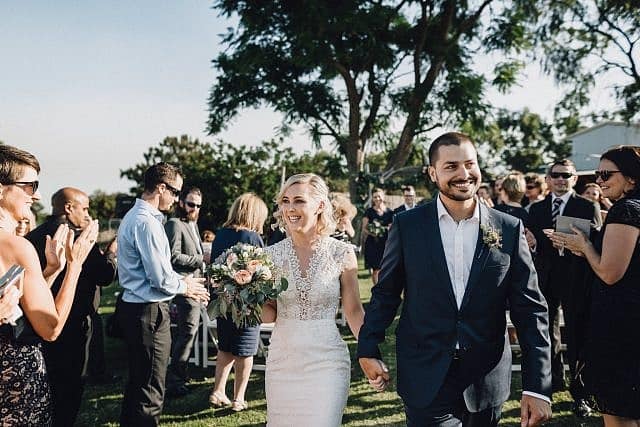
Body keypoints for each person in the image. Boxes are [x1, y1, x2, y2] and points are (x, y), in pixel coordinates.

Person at [357, 132, 552, 427]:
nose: (463, 174)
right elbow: (385, 293)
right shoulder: (408, 226)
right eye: (451, 167)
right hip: (425, 372)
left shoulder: (509, 228)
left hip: (486, 378)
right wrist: (367, 349)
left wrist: (537, 386)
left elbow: (531, 309)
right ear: (433, 173)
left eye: (469, 164)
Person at [0, 144, 98, 426]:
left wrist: (51, 271)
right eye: (30, 186)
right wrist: (74, 265)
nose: (38, 195)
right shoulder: (16, 246)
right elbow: (50, 327)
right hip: (16, 384)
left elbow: (19, 303)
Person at [262, 173, 365, 426]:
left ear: (320, 206)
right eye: (285, 201)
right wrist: (241, 295)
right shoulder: (268, 257)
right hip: (282, 364)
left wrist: (369, 350)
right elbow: (268, 314)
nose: (289, 208)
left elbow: (353, 311)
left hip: (327, 363)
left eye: (299, 201)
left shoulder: (342, 253)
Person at [550, 145, 640, 427]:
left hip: (620, 330)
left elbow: (610, 272)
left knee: (619, 416)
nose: (599, 180)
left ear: (631, 178)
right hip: (630, 322)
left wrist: (585, 245)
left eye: (606, 173)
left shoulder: (625, 210)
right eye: (598, 173)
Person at [116, 162, 209, 426]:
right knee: (151, 390)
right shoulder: (147, 222)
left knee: (139, 383)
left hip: (136, 308)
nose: (177, 198)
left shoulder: (136, 217)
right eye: (176, 192)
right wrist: (186, 286)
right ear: (161, 187)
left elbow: (157, 273)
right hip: (149, 312)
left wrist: (180, 281)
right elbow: (159, 278)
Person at [26, 187, 117, 427]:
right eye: (84, 208)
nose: (88, 215)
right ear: (68, 208)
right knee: (71, 388)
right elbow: (105, 275)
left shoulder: (32, 238)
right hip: (73, 323)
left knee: (46, 385)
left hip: (37, 323)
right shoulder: (78, 239)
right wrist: (111, 254)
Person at [527, 159, 601, 417]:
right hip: (545, 279)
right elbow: (533, 245)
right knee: (545, 331)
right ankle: (551, 382)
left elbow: (598, 242)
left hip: (577, 277)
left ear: (574, 179)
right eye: (555, 175)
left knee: (577, 332)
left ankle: (581, 393)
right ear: (547, 179)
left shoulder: (587, 206)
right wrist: (534, 243)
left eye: (566, 175)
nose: (560, 179)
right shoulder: (536, 209)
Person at [208, 192, 269, 412]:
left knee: (225, 348)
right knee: (246, 352)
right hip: (246, 303)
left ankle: (218, 390)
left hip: (224, 301)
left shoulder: (220, 235)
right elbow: (261, 270)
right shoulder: (252, 238)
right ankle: (238, 397)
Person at [165, 186, 208, 398]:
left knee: (190, 333)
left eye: (198, 205)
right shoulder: (174, 224)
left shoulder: (193, 224)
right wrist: (202, 259)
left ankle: (181, 376)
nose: (195, 209)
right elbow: (173, 257)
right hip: (185, 287)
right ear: (181, 202)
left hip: (197, 286)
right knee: (186, 333)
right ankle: (175, 381)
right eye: (191, 204)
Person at [361, 188, 393, 285]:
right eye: (375, 197)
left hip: (386, 244)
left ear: (383, 197)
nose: (377, 198)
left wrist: (387, 229)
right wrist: (374, 233)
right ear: (372, 199)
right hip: (373, 244)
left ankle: (386, 289)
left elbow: (393, 227)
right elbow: (364, 228)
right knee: (376, 269)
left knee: (387, 268)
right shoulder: (369, 212)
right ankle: (377, 289)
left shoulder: (390, 212)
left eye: (379, 196)